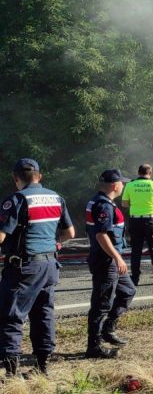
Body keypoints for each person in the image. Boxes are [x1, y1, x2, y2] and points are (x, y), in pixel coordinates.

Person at [0, 159, 74, 376]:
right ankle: (43, 367)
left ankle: (11, 375)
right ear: (39, 176)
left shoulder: (16, 200)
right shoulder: (56, 198)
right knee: (43, 314)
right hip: (49, 265)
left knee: (11, 316)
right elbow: (70, 233)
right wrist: (53, 243)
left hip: (24, 268)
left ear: (16, 178)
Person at [86, 169, 137, 359]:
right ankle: (94, 347)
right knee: (101, 304)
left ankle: (109, 327)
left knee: (128, 291)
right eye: (122, 183)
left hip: (111, 261)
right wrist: (117, 257)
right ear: (115, 186)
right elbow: (101, 235)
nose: (123, 186)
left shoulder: (100, 201)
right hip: (106, 261)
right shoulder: (103, 206)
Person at [122, 164, 153, 286]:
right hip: (152, 220)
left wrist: (136, 203)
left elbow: (124, 204)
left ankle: (135, 279)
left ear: (138, 172)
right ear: (150, 173)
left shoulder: (130, 185)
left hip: (135, 220)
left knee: (135, 250)